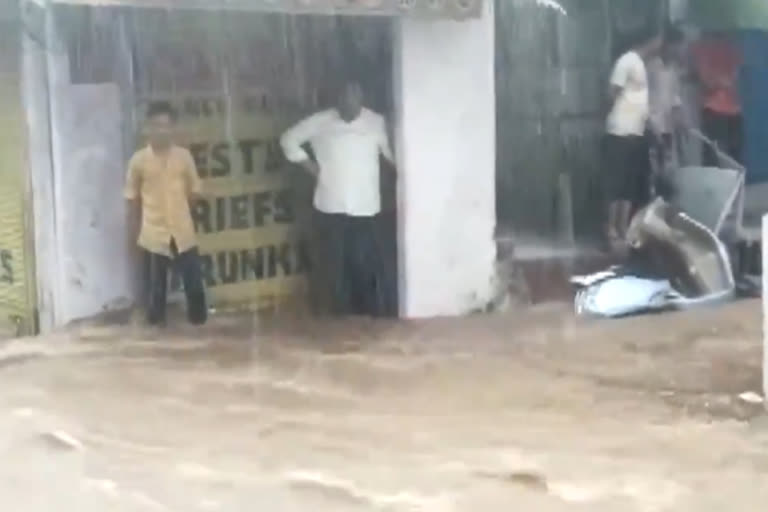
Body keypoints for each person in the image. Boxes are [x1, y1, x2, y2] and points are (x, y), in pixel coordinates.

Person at [280, 80, 394, 316]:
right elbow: (288, 140)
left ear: (361, 100)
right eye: (343, 101)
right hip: (331, 204)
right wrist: (312, 168)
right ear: (336, 101)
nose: (348, 106)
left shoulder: (376, 122)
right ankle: (337, 317)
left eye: (353, 100)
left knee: (364, 263)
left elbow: (391, 155)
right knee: (334, 265)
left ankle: (366, 314)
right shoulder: (320, 122)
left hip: (366, 205)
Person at [124, 101, 207, 326]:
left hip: (182, 232)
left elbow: (196, 190)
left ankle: (201, 332)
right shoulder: (138, 161)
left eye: (166, 125)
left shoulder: (184, 157)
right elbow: (132, 200)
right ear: (148, 128)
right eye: (156, 125)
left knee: (194, 285)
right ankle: (157, 339)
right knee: (155, 291)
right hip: (153, 233)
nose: (161, 130)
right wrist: (133, 235)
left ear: (173, 128)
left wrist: (182, 213)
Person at [604, 31, 660, 247]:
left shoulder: (641, 64)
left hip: (635, 131)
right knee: (616, 184)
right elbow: (612, 92)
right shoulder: (626, 61)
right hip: (620, 130)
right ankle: (610, 229)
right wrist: (617, 116)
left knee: (628, 185)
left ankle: (622, 228)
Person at [691, 32, 743, 165]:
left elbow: (733, 78)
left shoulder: (729, 50)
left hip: (724, 108)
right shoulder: (704, 50)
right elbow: (708, 82)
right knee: (718, 152)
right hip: (718, 108)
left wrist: (720, 81)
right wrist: (723, 81)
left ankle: (726, 181)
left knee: (720, 152)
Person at [647, 25, 686, 176]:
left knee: (667, 167)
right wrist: (650, 124)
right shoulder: (651, 66)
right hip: (651, 128)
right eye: (680, 46)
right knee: (653, 168)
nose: (682, 50)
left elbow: (674, 96)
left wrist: (680, 116)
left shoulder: (673, 68)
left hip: (667, 127)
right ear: (670, 44)